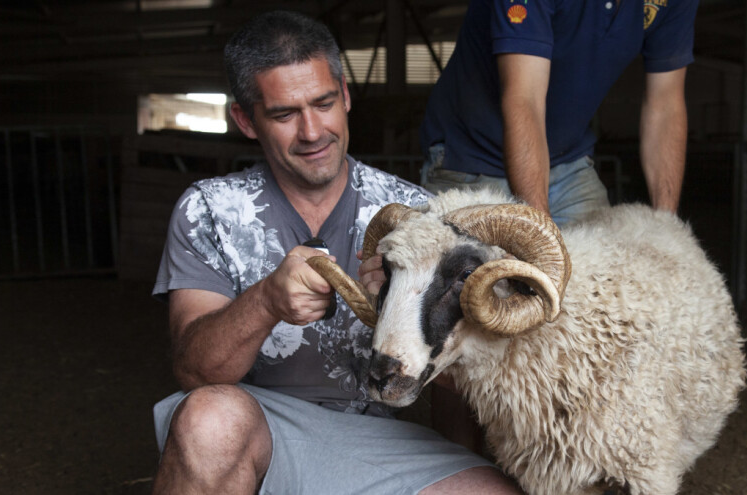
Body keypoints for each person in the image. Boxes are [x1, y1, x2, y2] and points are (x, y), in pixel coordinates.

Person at [150, 10, 522, 495]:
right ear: (245, 119)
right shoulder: (210, 210)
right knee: (208, 420)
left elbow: (463, 379)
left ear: (346, 96)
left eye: (323, 103)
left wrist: (405, 311)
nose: (311, 132)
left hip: (386, 442)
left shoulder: (417, 216)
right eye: (284, 114)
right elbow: (195, 371)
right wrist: (265, 303)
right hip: (262, 428)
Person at [419, 0, 698, 225]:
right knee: (477, 286)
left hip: (568, 162)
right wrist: (541, 239)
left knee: (603, 283)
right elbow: (524, 98)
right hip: (472, 158)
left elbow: (666, 104)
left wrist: (667, 227)